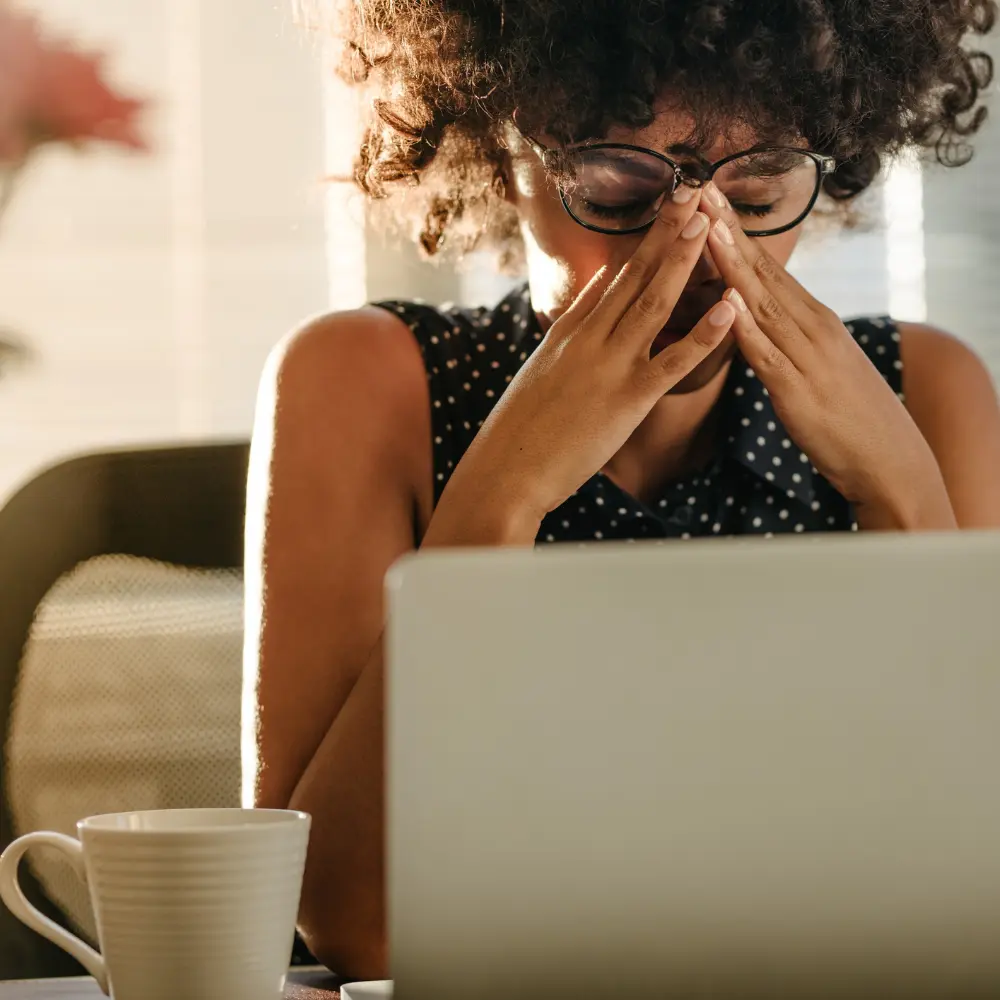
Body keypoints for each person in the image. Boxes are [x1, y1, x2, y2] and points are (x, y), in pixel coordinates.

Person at [245, 0, 1000, 978]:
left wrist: (900, 492)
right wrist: (504, 493)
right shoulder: (364, 381)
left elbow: (964, 892)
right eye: (611, 184)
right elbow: (351, 920)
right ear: (497, 151)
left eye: (760, 189)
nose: (690, 247)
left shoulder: (926, 392)